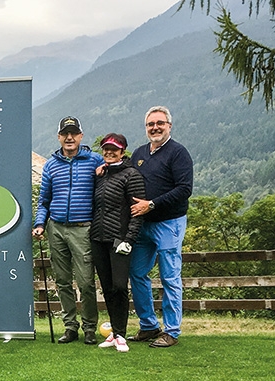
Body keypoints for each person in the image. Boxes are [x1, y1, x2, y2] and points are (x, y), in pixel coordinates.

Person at [32, 116, 103, 345]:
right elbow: (44, 200)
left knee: (86, 282)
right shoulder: (51, 165)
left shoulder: (95, 160)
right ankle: (70, 327)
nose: (69, 137)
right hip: (56, 228)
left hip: (83, 228)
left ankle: (90, 327)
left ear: (81, 136)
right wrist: (40, 224)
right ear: (59, 137)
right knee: (62, 281)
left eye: (73, 133)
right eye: (65, 134)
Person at [128, 106, 193, 348]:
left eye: (160, 123)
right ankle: (149, 325)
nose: (155, 127)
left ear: (169, 126)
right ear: (146, 127)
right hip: (143, 225)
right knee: (136, 273)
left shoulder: (178, 153)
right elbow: (126, 176)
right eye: (150, 124)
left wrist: (152, 204)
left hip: (169, 223)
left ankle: (172, 331)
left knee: (169, 277)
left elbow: (184, 189)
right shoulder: (139, 153)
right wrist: (104, 169)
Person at [91, 133, 146, 353]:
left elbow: (137, 212)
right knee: (107, 287)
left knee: (120, 286)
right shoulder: (101, 175)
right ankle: (114, 333)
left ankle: (121, 335)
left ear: (122, 151)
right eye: (106, 148)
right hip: (98, 238)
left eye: (114, 149)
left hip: (120, 239)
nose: (109, 152)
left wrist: (129, 239)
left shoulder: (132, 175)